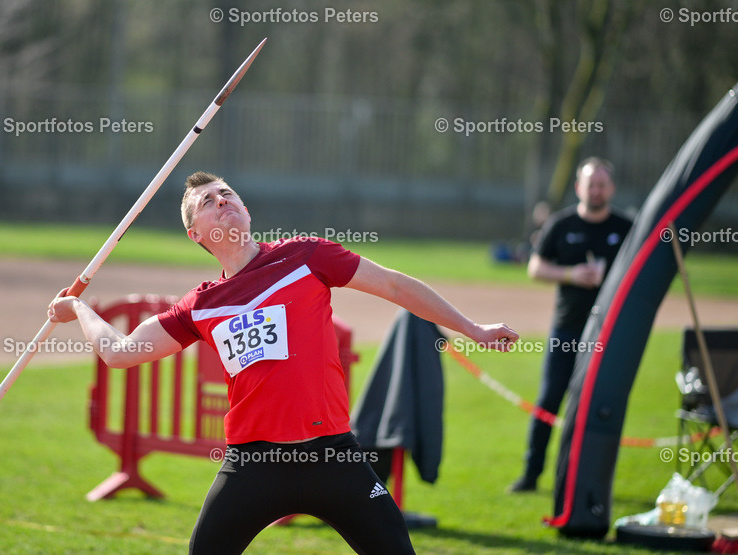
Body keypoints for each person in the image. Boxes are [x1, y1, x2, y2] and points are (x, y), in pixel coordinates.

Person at [49, 171, 519, 554]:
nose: (223, 201)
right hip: (255, 464)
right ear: (196, 233)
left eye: (228, 194)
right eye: (209, 201)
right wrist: (79, 309)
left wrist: (474, 329)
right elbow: (121, 353)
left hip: (334, 456)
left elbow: (395, 287)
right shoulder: (200, 305)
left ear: (247, 211)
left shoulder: (305, 256)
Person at [508, 157, 632, 493]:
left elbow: (642, 271)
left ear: (612, 188)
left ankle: (585, 478)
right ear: (579, 187)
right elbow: (535, 268)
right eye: (590, 183)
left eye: (602, 184)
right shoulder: (561, 224)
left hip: (609, 333)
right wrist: (571, 274)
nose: (596, 190)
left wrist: (612, 278)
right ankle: (531, 476)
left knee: (598, 404)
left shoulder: (626, 227)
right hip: (567, 330)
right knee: (549, 400)